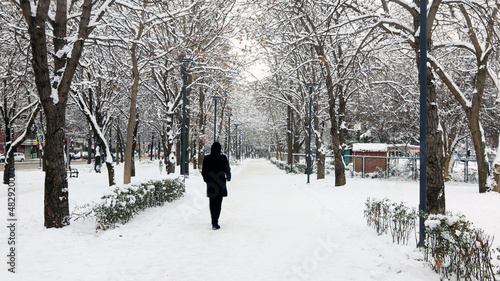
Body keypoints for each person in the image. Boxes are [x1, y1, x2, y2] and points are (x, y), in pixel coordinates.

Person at [202, 142, 231, 230]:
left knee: (212, 202)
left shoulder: (207, 158)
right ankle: (215, 222)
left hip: (211, 182)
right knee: (218, 203)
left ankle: (213, 220)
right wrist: (228, 177)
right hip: (220, 182)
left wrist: (206, 180)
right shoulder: (223, 158)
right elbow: (227, 169)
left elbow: (204, 171)